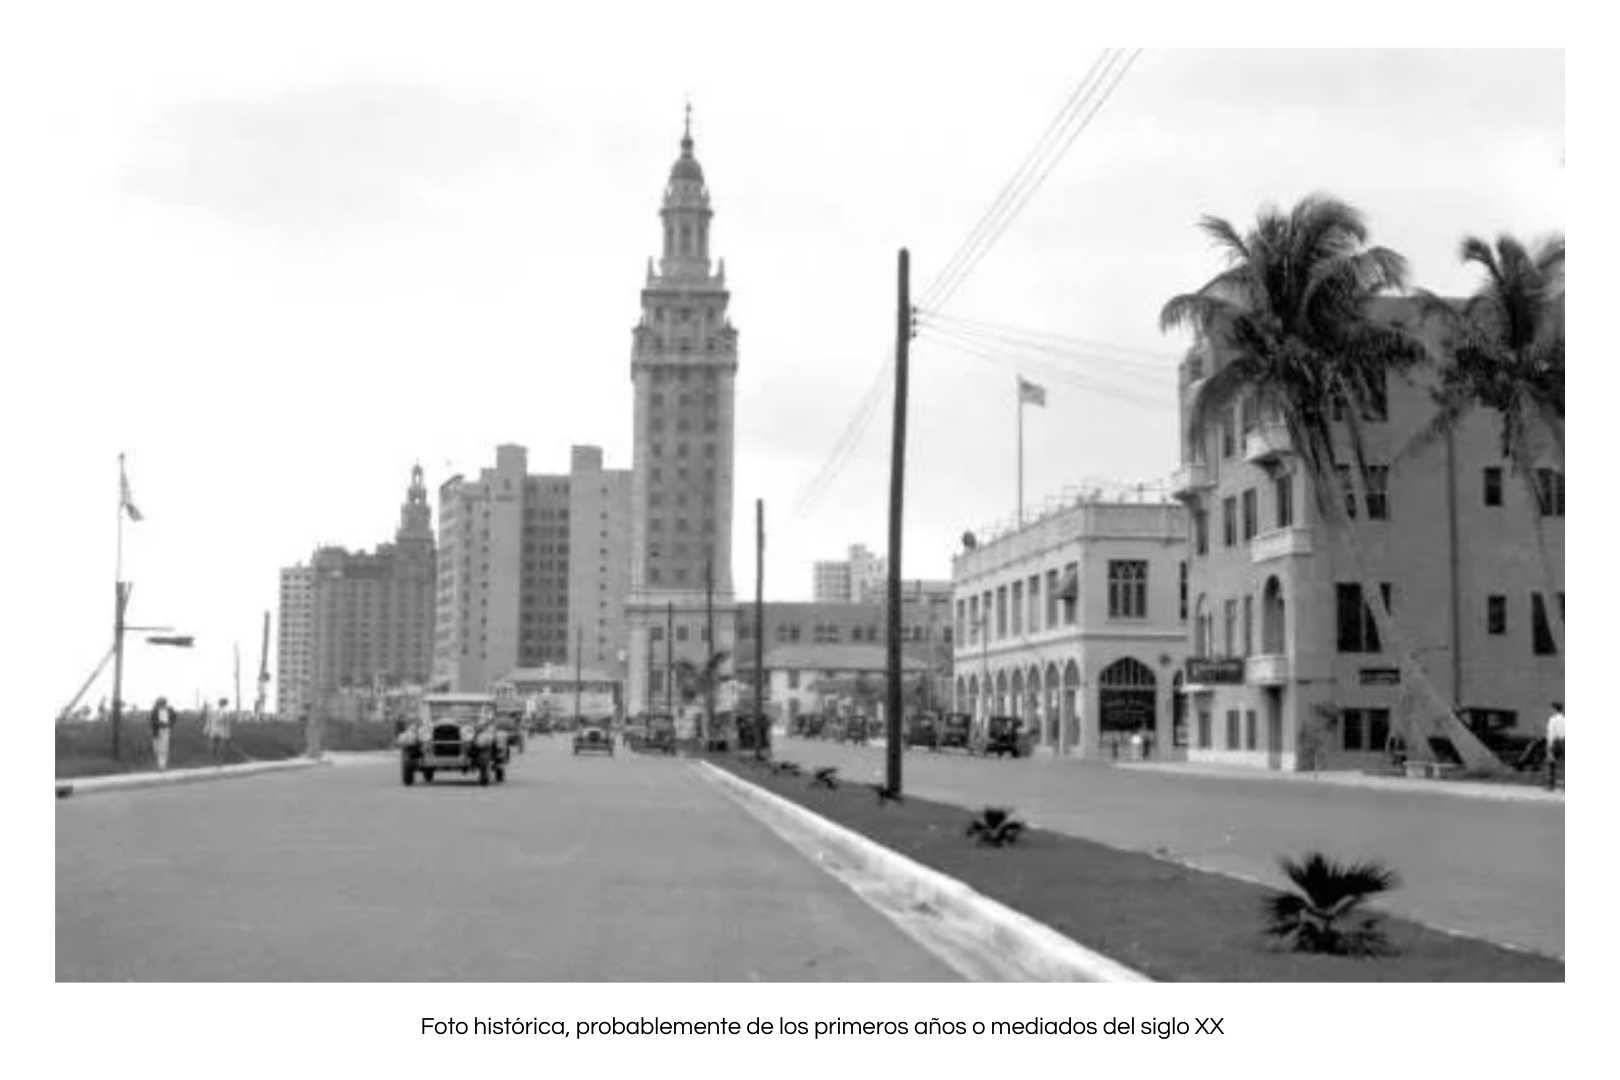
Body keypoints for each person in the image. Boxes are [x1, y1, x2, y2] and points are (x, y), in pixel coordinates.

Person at [148, 697, 175, 770]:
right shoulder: (154, 711)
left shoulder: (169, 710)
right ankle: (159, 763)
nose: (161, 704)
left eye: (163, 703)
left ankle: (162, 765)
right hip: (157, 730)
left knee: (164, 748)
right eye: (160, 703)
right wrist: (159, 723)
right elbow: (152, 721)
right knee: (156, 748)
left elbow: (173, 718)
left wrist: (169, 724)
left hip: (165, 730)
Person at [1545, 701, 1565, 790]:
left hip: (1556, 743)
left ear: (1554, 709)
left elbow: (1550, 734)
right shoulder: (1565, 719)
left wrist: (1549, 746)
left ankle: (1551, 785)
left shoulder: (1552, 720)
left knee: (1551, 763)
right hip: (1564, 742)